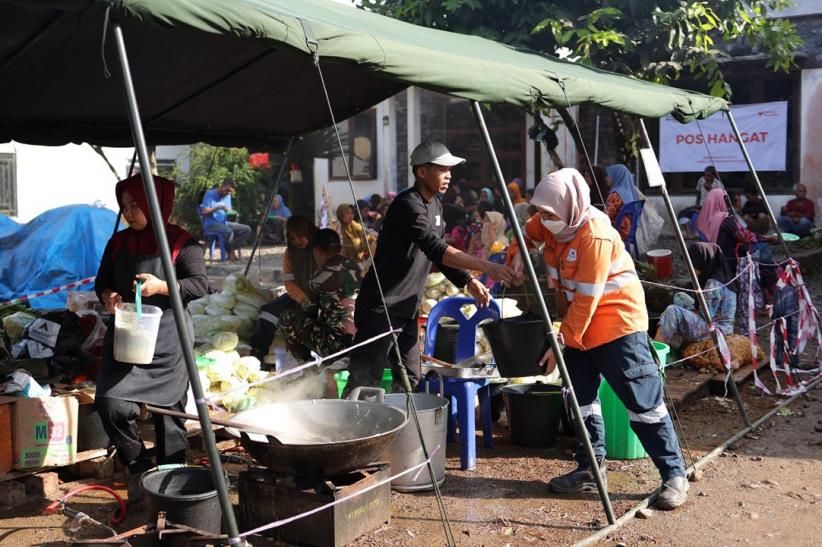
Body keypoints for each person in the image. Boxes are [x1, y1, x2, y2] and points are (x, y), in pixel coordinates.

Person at [508, 168, 688, 510]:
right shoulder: (551, 220)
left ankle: (673, 475)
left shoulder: (595, 235)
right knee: (580, 400)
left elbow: (589, 299)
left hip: (616, 325)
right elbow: (528, 231)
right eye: (542, 213)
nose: (544, 221)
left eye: (550, 214)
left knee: (643, 403)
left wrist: (561, 341)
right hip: (576, 325)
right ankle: (591, 467)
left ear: (571, 207)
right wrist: (516, 252)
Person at [344, 140, 516, 394]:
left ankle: (396, 430)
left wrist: (468, 280)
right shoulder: (407, 204)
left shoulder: (435, 205)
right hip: (381, 307)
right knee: (364, 379)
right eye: (442, 170)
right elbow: (435, 247)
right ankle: (350, 428)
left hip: (408, 308)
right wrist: (486, 266)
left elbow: (438, 254)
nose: (449, 176)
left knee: (410, 377)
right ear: (421, 172)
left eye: (450, 170)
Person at [94, 174, 208, 503]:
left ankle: (171, 484)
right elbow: (102, 280)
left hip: (169, 338)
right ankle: (140, 466)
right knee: (110, 404)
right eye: (125, 206)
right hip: (128, 334)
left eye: (136, 205)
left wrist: (162, 287)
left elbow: (200, 285)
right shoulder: (118, 243)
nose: (129, 212)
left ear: (156, 205)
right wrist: (108, 295)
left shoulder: (182, 242)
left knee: (169, 416)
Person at [280, 229, 363, 360]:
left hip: (338, 348)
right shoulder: (355, 268)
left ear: (317, 251)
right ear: (339, 248)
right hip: (363, 341)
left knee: (289, 317)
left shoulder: (317, 280)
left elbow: (308, 311)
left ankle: (306, 364)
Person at [249, 215, 317, 359]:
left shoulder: (321, 248)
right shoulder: (290, 253)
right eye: (292, 238)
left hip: (322, 296)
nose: (298, 241)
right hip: (297, 295)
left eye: (300, 236)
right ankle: (257, 355)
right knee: (268, 314)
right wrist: (303, 299)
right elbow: (289, 283)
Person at [655, 243, 736, 348]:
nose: (690, 269)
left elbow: (706, 316)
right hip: (712, 320)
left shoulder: (714, 284)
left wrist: (686, 314)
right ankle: (675, 342)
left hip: (718, 331)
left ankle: (657, 350)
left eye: (693, 264)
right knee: (680, 297)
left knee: (672, 311)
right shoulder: (721, 275)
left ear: (702, 261)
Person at [199, 178, 251, 260]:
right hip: (211, 224)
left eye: (230, 192)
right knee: (228, 232)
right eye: (227, 190)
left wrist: (232, 213)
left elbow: (228, 211)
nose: (228, 193)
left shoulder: (228, 196)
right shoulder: (210, 194)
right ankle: (230, 253)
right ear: (224, 185)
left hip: (225, 223)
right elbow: (204, 211)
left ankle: (230, 248)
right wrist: (217, 208)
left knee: (246, 229)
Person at [677, 166, 724, 237]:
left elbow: (719, 203)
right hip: (700, 207)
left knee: (697, 217)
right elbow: (698, 194)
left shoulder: (719, 185)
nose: (706, 178)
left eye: (708, 176)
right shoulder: (701, 180)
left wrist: (711, 190)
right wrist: (696, 205)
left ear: (714, 176)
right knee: (682, 213)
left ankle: (702, 234)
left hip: (711, 210)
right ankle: (689, 233)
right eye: (705, 175)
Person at [604, 164, 640, 240]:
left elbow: (606, 214)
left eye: (609, 176)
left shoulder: (616, 194)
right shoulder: (629, 191)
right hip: (630, 229)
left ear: (616, 176)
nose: (606, 178)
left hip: (619, 230)